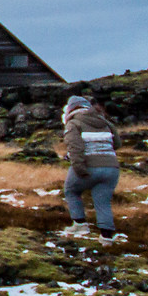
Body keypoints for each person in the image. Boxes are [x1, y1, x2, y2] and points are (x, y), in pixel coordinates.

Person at [61, 94, 120, 233]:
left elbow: (75, 148)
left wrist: (79, 169)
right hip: (112, 168)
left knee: (71, 190)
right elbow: (117, 143)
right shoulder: (105, 122)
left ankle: (80, 224)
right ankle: (106, 237)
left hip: (90, 166)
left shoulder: (73, 123)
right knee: (103, 201)